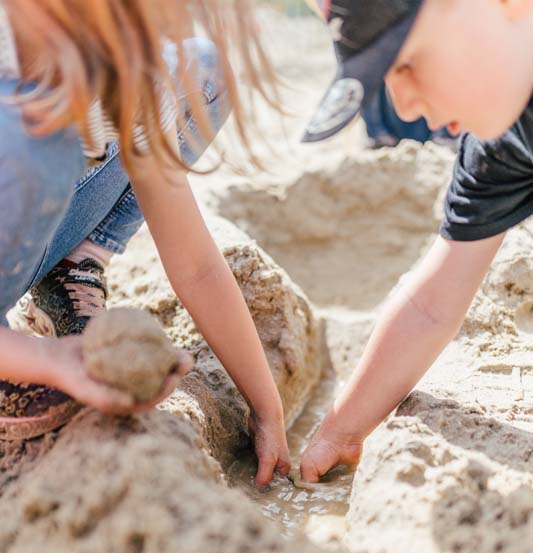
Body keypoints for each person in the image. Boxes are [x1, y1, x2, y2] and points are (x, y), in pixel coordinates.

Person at [0, 0, 290, 488]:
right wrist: (49, 361)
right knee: (38, 151)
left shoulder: (122, 63)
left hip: (30, 188)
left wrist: (266, 407)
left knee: (201, 69)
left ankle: (72, 265)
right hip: (21, 160)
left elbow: (196, 264)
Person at [299, 0, 533, 481]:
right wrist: (342, 431)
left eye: (405, 63)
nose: (404, 105)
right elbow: (431, 306)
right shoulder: (499, 144)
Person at [362, 81, 457, 149]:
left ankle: (443, 134)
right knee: (370, 64)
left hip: (428, 130)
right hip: (392, 130)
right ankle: (378, 135)